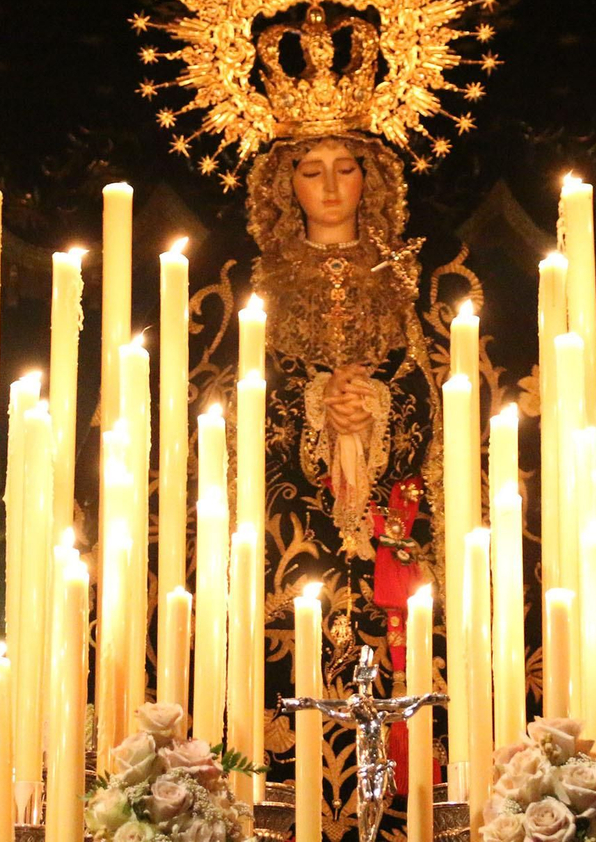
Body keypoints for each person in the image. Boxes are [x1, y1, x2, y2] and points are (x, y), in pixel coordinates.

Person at [241, 129, 445, 839]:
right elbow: (233, 395)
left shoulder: (408, 279)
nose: (329, 187)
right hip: (291, 534)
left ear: (373, 178)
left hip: (393, 526)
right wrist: (312, 407)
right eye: (310, 170)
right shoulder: (256, 286)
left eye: (346, 168)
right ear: (282, 185)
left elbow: (435, 389)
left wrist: (377, 409)